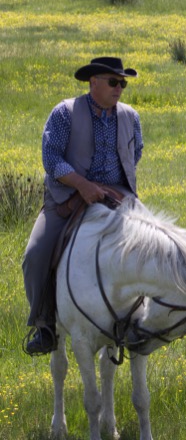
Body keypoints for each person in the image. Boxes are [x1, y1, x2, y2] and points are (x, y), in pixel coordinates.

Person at [22, 57, 143, 355]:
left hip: (119, 196)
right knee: (35, 255)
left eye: (123, 84)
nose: (119, 89)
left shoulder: (130, 116)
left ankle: (143, 321)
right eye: (113, 82)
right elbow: (51, 159)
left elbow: (135, 153)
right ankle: (45, 325)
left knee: (157, 243)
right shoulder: (65, 113)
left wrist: (112, 188)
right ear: (93, 83)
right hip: (67, 196)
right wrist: (82, 184)